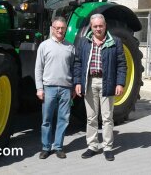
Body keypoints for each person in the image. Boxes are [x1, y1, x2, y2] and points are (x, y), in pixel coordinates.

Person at [74, 13, 127, 161]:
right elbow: (78, 63)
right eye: (95, 26)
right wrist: (78, 82)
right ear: (91, 27)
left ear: (105, 26)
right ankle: (92, 146)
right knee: (91, 117)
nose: (98, 28)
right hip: (90, 82)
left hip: (107, 82)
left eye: (101, 26)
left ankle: (108, 147)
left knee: (107, 118)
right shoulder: (84, 42)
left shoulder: (115, 41)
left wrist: (120, 83)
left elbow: (122, 64)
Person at [35, 16, 74, 159]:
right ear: (52, 28)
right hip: (49, 88)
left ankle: (58, 147)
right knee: (47, 120)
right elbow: (38, 68)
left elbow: (73, 69)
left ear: (65, 29)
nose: (60, 30)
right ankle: (46, 147)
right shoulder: (44, 46)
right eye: (57, 28)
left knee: (63, 119)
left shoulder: (70, 47)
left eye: (62, 28)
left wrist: (73, 87)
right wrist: (39, 88)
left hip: (65, 89)